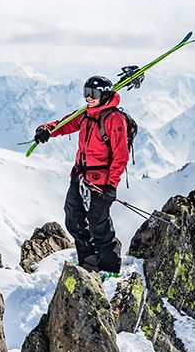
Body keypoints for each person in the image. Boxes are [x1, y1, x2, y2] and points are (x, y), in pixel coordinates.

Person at [33, 75, 129, 273]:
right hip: (79, 176)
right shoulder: (86, 114)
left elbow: (121, 156)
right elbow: (65, 124)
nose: (88, 97)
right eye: (86, 92)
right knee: (73, 219)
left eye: (93, 93)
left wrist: (111, 186)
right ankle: (88, 261)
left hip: (100, 181)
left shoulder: (114, 119)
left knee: (99, 225)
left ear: (103, 94)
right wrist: (47, 130)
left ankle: (110, 268)